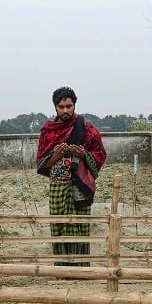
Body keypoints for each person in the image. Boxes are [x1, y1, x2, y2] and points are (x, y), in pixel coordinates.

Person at [36, 87, 107, 267]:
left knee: (81, 226)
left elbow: (100, 156)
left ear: (74, 105)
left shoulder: (88, 130)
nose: (66, 110)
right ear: (55, 108)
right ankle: (62, 268)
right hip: (58, 187)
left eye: (69, 106)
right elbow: (41, 164)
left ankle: (81, 268)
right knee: (59, 226)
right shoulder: (48, 131)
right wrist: (56, 156)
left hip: (81, 187)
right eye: (61, 107)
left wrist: (83, 155)